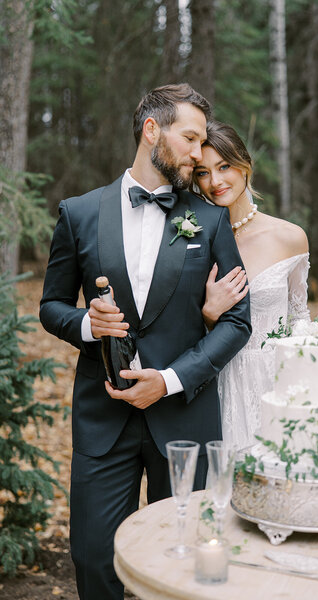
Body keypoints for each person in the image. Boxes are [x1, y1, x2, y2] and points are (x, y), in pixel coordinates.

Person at [40, 85, 251, 600]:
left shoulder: (209, 218)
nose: (199, 155)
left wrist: (170, 380)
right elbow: (51, 307)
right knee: (92, 555)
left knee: (183, 560)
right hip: (102, 420)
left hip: (184, 417)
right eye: (191, 138)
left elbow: (238, 321)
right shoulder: (80, 212)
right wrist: (89, 325)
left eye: (203, 142)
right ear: (152, 130)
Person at [193, 120, 309, 450]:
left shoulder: (290, 237)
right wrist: (209, 315)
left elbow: (299, 317)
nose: (214, 181)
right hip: (219, 383)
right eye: (202, 172)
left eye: (224, 166)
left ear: (245, 164)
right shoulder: (191, 243)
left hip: (277, 386)